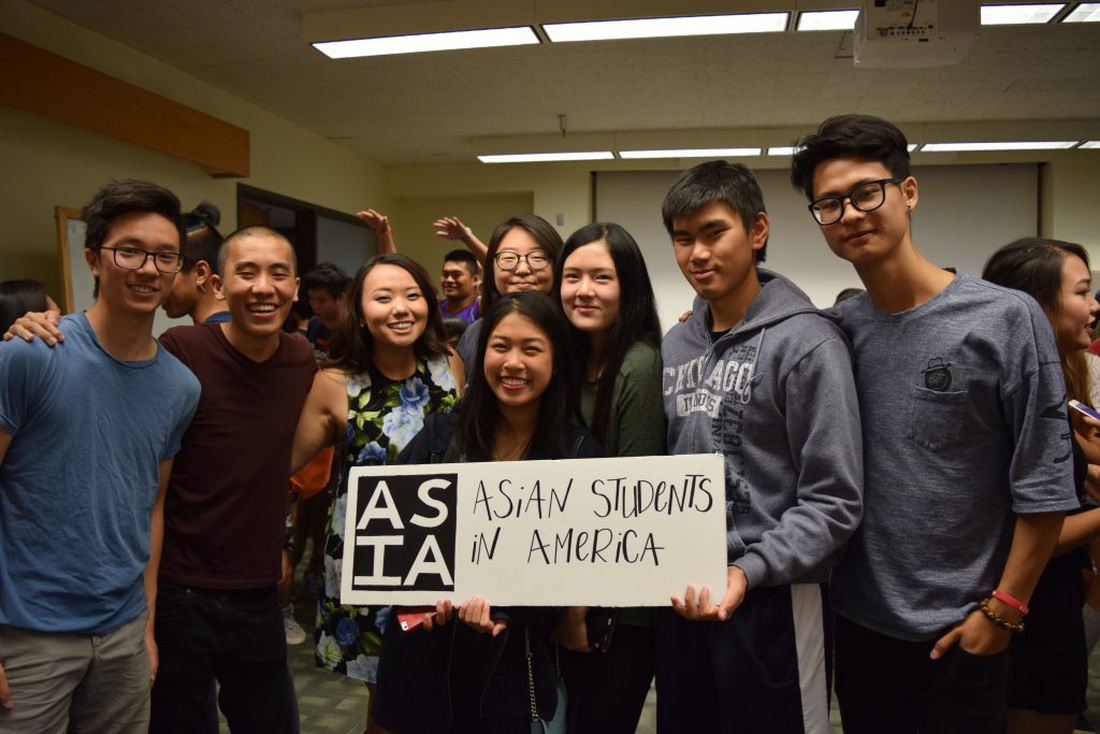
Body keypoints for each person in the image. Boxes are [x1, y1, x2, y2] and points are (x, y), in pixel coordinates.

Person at [791, 114, 1077, 733]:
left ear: (908, 192)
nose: (851, 214)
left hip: (963, 629)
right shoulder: (837, 333)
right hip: (861, 629)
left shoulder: (1004, 318)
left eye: (868, 192)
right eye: (830, 204)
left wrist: (1002, 615)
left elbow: (1046, 486)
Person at [657, 160, 863, 733]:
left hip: (774, 595)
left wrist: (749, 570)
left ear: (757, 231)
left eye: (713, 232)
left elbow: (835, 500)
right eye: (682, 238)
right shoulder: (678, 343)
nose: (697, 253)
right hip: (687, 594)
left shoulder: (807, 342)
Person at [0, 180, 200, 732]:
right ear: (94, 258)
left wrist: (147, 626)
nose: (148, 269)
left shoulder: (180, 386)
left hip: (122, 632)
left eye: (165, 256)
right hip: (27, 632)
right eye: (129, 251)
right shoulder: (30, 354)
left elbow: (153, 508)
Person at [372, 290, 603, 733]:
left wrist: (505, 609)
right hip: (425, 662)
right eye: (500, 346)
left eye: (531, 349)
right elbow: (394, 540)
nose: (512, 363)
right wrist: (427, 593)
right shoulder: (441, 435)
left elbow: (580, 567)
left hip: (510, 670)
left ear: (556, 361)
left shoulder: (579, 454)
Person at [150, 226, 315, 734]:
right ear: (219, 284)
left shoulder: (301, 359)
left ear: (295, 287)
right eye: (247, 272)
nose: (263, 287)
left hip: (258, 590)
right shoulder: (182, 349)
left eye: (277, 274)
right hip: (181, 589)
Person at [292, 252, 463, 734]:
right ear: (360, 312)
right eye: (383, 297)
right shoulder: (333, 383)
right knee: (387, 704)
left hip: (446, 555)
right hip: (368, 564)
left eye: (412, 296)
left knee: (446, 692)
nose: (400, 308)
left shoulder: (450, 366)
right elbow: (288, 469)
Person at [982, 237, 1100, 734]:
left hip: (1049, 605)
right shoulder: (1020, 397)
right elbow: (1035, 533)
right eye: (1082, 292)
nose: (1094, 305)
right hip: (1030, 612)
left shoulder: (1056, 386)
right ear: (1035, 307)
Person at [552, 222, 665, 733]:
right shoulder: (572, 360)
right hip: (572, 589)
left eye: (602, 277)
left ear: (630, 288)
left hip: (621, 609)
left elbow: (630, 506)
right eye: (572, 276)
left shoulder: (637, 367)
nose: (583, 290)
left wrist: (578, 606)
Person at [455, 214, 563, 372]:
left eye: (538, 257)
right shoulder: (475, 334)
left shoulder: (578, 333)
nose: (522, 269)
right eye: (508, 257)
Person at [162, 202, 229, 324]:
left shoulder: (180, 341)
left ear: (200, 273)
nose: (159, 284)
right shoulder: (250, 330)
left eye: (168, 270)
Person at [302, 261, 351, 358]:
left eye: (321, 301)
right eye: (311, 299)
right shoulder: (314, 323)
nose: (315, 306)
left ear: (342, 298)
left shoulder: (354, 330)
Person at [439, 249, 482, 323]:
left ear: (475, 280)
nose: (449, 280)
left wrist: (467, 238)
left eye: (456, 275)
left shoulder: (480, 309)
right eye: (445, 275)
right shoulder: (433, 309)